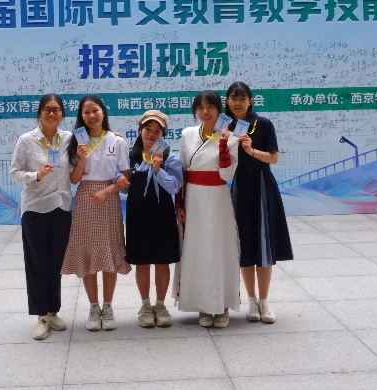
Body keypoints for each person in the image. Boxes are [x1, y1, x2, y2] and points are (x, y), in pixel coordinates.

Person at [225, 81, 294, 324]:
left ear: (250, 101)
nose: (237, 103)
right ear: (227, 101)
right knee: (244, 244)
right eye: (233, 98)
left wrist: (252, 151)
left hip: (262, 185)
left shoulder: (263, 124)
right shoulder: (224, 126)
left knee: (264, 244)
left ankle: (264, 301)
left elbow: (274, 158)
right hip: (238, 187)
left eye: (242, 98)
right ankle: (252, 302)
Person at [61, 95, 131, 331]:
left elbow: (126, 176)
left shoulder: (117, 141)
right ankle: (93, 307)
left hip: (109, 199)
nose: (91, 116)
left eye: (95, 111)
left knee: (109, 250)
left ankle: (108, 307)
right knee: (88, 252)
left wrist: (108, 190)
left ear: (103, 112)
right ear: (81, 116)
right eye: (86, 112)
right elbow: (74, 179)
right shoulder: (76, 142)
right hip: (85, 198)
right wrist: (81, 159)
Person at [9, 94, 74, 341]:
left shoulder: (68, 139)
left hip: (61, 206)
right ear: (39, 113)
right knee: (37, 262)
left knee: (56, 263)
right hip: (35, 207)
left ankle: (53, 311)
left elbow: (91, 146)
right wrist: (35, 175)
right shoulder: (26, 140)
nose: (51, 113)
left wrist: (115, 137)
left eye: (56, 109)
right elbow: (14, 172)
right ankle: (41, 316)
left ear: (62, 114)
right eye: (47, 109)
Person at [175, 90, 240, 328]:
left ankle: (222, 305)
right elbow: (181, 172)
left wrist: (223, 144)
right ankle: (202, 304)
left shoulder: (231, 137)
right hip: (194, 198)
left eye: (210, 107)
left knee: (220, 249)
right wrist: (179, 204)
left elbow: (227, 174)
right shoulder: (187, 134)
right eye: (201, 107)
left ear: (219, 110)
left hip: (218, 199)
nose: (205, 112)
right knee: (197, 250)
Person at [125, 110, 183, 328]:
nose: (151, 134)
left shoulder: (170, 158)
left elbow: (175, 186)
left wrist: (158, 169)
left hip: (162, 216)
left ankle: (160, 305)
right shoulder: (130, 156)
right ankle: (145, 305)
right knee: (141, 263)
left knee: (162, 261)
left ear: (163, 134)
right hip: (137, 216)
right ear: (140, 130)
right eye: (147, 129)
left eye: (157, 131)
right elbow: (123, 185)